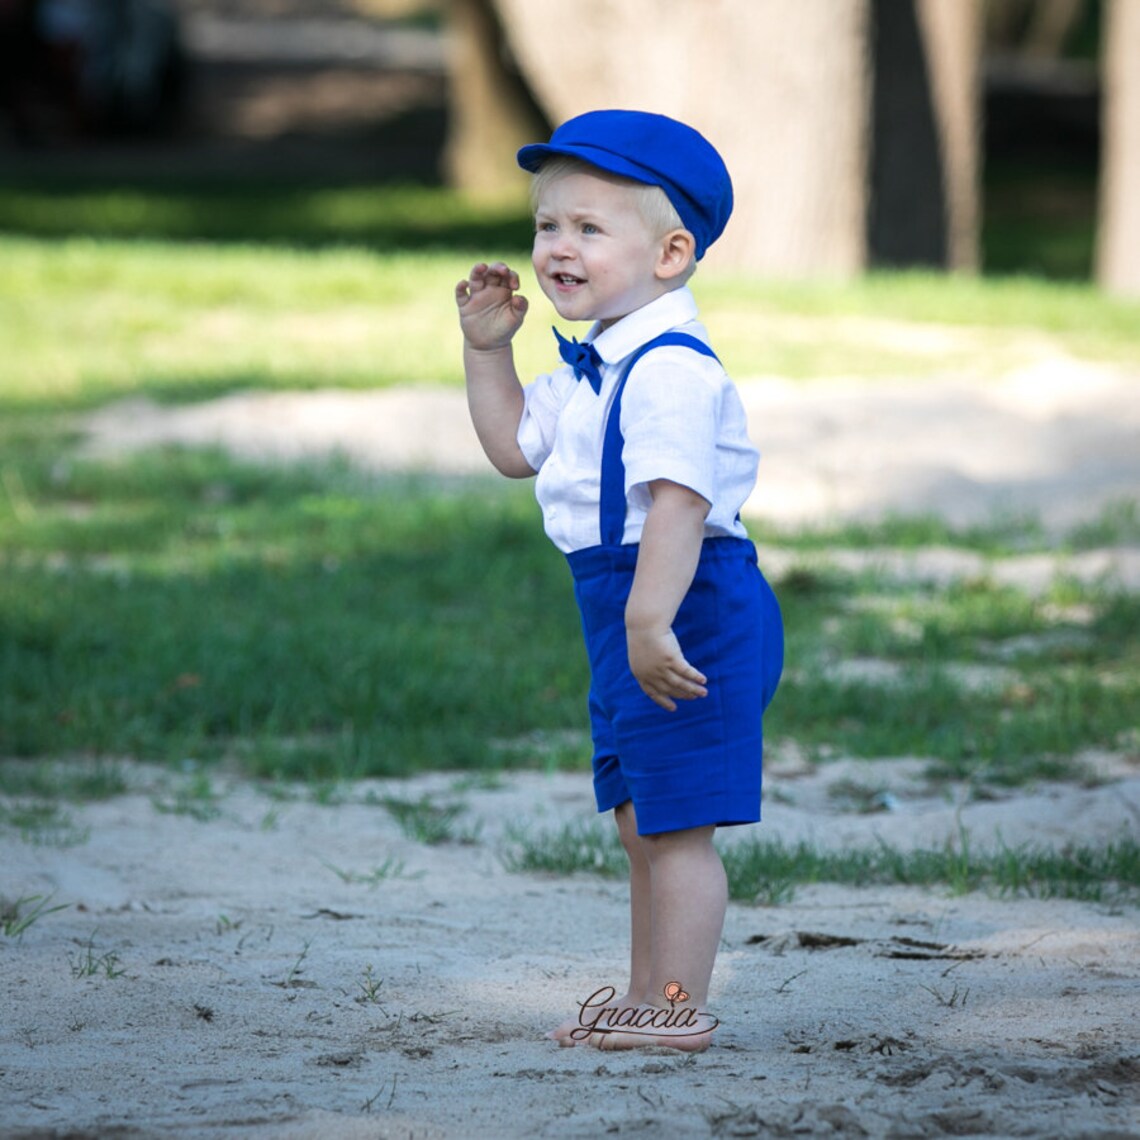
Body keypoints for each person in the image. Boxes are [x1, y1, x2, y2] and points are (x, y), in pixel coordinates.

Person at [455, 109, 783, 1050]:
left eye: (589, 228)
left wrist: (650, 620)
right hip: (625, 607)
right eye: (547, 225)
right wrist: (487, 349)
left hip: (686, 606)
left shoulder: (669, 370)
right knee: (642, 821)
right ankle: (648, 996)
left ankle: (676, 1009)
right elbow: (513, 449)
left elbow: (679, 503)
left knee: (677, 829)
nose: (558, 247)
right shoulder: (596, 362)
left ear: (671, 254)